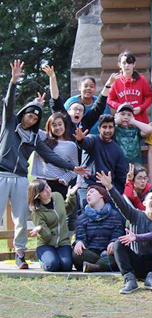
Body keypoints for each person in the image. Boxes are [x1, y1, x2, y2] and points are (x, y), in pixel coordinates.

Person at [0, 60, 86, 269]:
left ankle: (20, 254)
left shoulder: (35, 138)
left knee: (21, 217)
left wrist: (72, 168)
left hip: (21, 178)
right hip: (1, 174)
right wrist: (14, 81)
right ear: (23, 114)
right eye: (29, 114)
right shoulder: (9, 124)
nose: (31, 119)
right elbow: (8, 102)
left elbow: (50, 155)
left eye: (35, 117)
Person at [98, 171, 152, 294]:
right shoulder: (135, 215)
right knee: (118, 243)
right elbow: (121, 204)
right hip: (136, 260)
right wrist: (110, 187)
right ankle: (130, 280)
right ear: (144, 203)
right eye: (151, 198)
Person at [44, 65, 118, 140]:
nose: (77, 112)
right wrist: (52, 77)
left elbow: (99, 105)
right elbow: (55, 99)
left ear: (83, 115)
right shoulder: (64, 120)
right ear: (68, 111)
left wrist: (108, 85)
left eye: (80, 110)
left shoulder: (85, 123)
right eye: (75, 109)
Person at [27, 180, 78, 272]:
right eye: (43, 190)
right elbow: (47, 237)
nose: (48, 190)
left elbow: (66, 210)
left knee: (67, 266)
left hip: (63, 243)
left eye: (47, 186)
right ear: (37, 195)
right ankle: (42, 261)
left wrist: (71, 196)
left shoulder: (57, 196)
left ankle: (56, 258)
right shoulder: (37, 212)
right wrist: (40, 229)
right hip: (46, 244)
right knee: (52, 265)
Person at [72, 185, 124, 272]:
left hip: (108, 253)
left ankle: (95, 267)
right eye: (87, 194)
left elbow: (118, 234)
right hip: (90, 253)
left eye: (91, 192)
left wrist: (113, 242)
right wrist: (79, 242)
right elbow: (81, 237)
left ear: (102, 195)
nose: (88, 195)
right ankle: (101, 265)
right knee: (76, 254)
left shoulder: (114, 215)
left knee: (119, 254)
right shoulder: (82, 218)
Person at [73, 114, 128, 194]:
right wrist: (81, 140)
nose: (107, 130)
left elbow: (121, 175)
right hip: (86, 186)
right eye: (104, 127)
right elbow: (85, 143)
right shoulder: (92, 139)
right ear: (99, 128)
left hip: (105, 190)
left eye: (110, 127)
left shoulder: (117, 150)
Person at [31, 112, 79, 198]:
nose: (57, 128)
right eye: (54, 125)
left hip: (59, 184)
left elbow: (75, 169)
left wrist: (65, 178)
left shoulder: (71, 145)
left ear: (64, 125)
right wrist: (38, 105)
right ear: (49, 127)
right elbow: (32, 126)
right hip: (41, 183)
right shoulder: (43, 137)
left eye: (60, 124)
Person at [108, 51, 152, 124]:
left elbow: (150, 96)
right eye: (124, 63)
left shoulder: (141, 80)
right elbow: (110, 100)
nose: (127, 65)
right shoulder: (116, 81)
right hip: (123, 121)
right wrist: (121, 107)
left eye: (129, 62)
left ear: (134, 64)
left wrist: (141, 108)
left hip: (140, 120)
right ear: (119, 64)